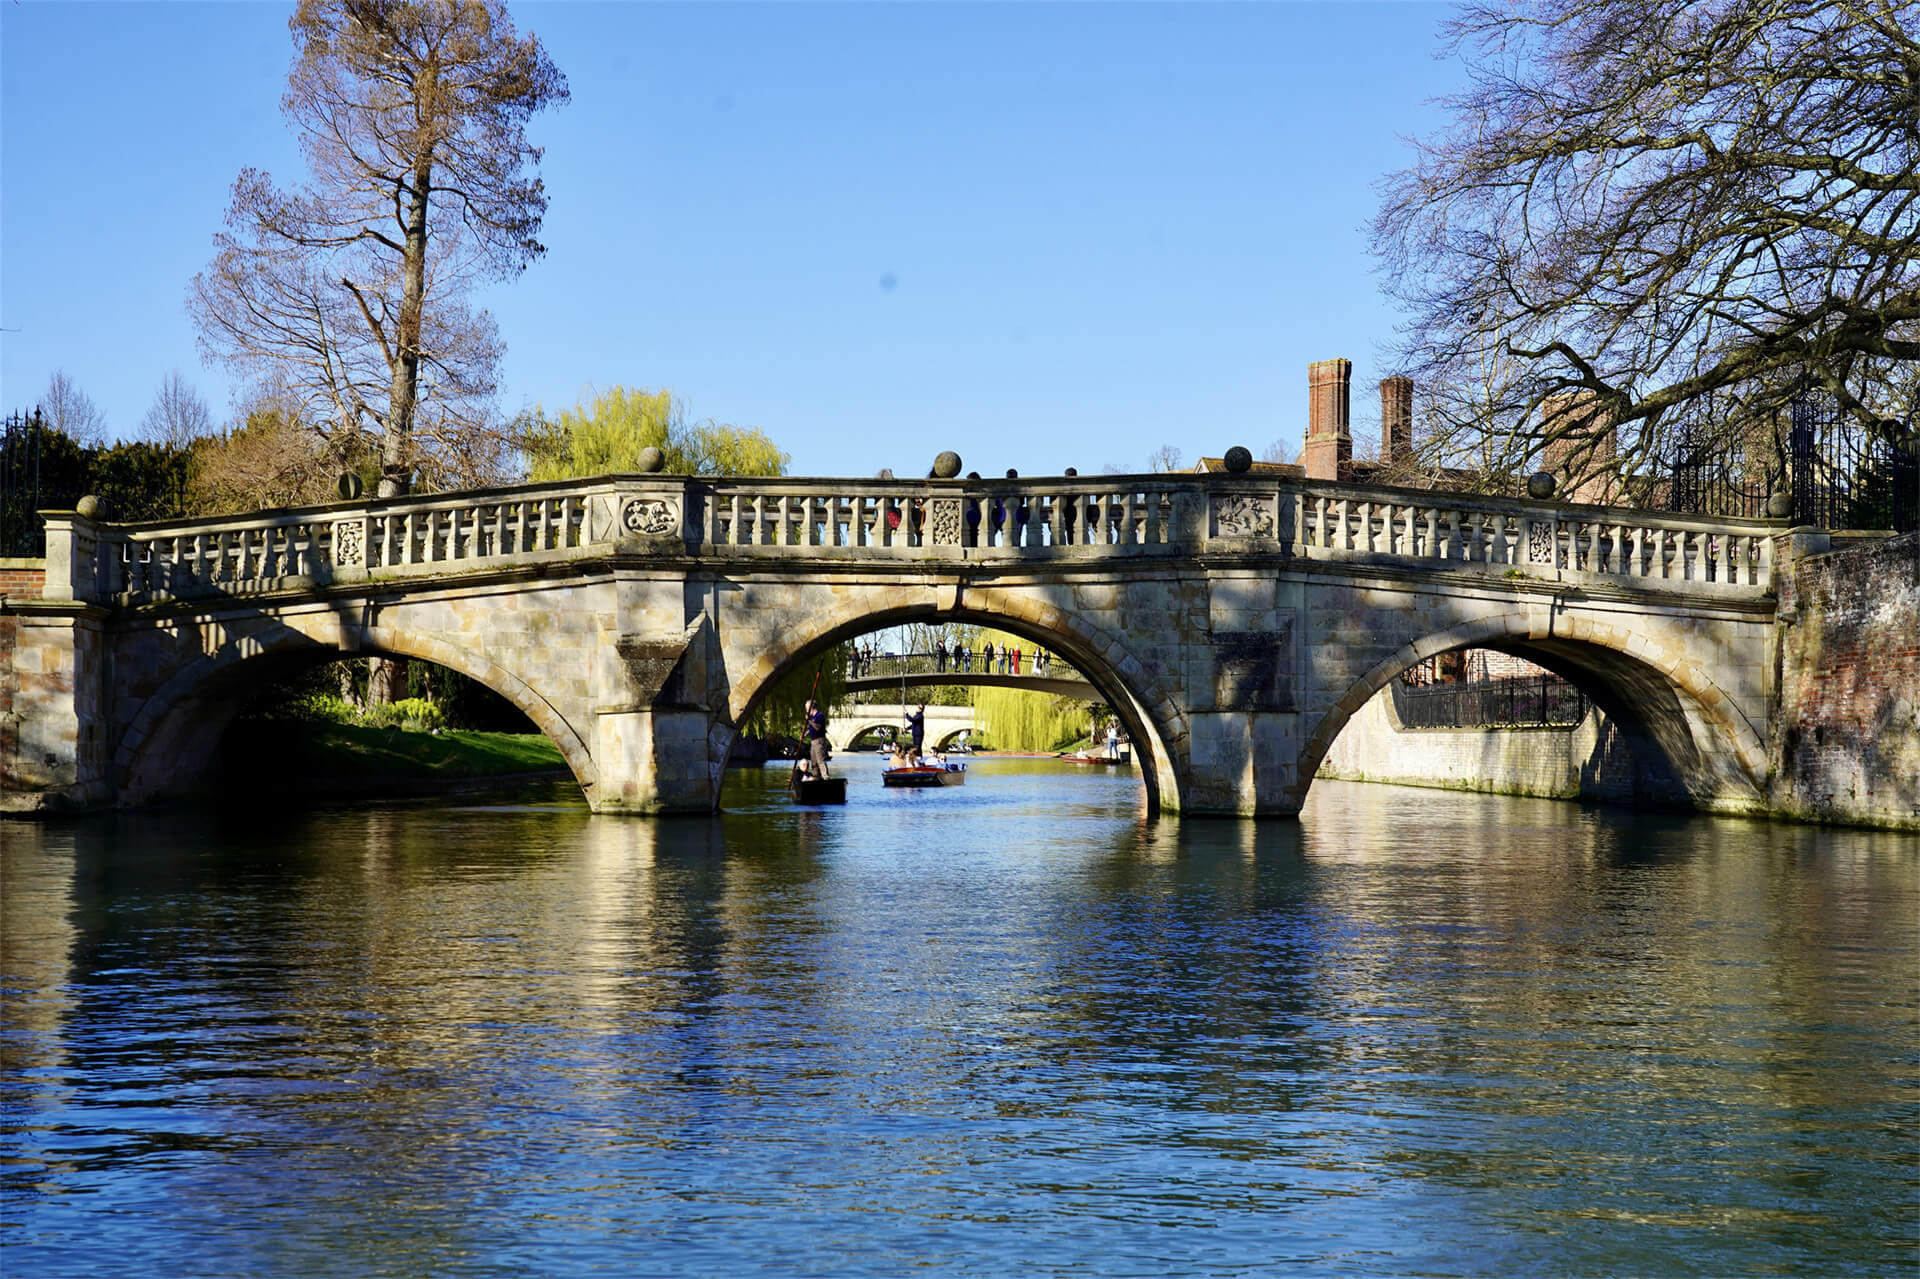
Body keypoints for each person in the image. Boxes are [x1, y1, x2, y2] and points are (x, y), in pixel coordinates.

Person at [804, 698, 831, 779]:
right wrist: (805, 734)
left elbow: (817, 727)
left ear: (810, 707)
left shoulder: (819, 715)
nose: (805, 709)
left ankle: (825, 777)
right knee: (814, 761)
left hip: (819, 741)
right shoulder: (812, 717)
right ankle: (816, 777)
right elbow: (812, 728)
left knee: (820, 760)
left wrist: (809, 720)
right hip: (813, 741)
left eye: (806, 708)